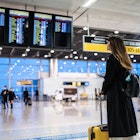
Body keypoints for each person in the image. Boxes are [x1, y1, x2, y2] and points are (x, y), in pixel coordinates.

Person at [101, 36, 138, 140]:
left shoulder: (112, 58)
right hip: (125, 94)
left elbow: (109, 78)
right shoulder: (123, 58)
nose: (107, 45)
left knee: (115, 118)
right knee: (126, 117)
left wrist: (103, 91)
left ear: (113, 44)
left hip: (115, 94)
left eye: (108, 43)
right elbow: (121, 76)